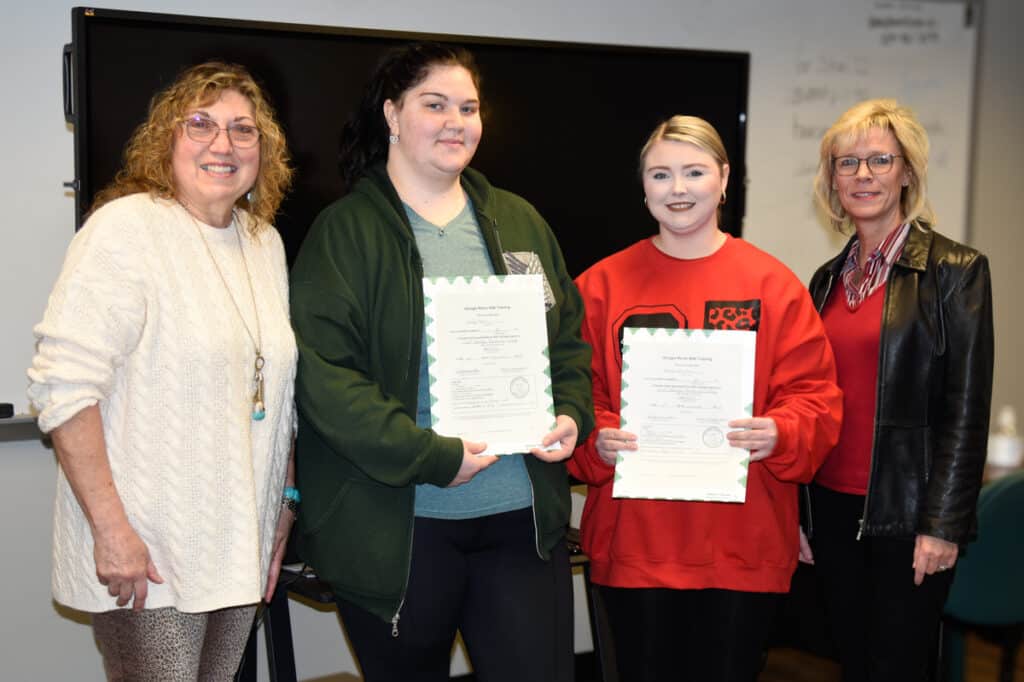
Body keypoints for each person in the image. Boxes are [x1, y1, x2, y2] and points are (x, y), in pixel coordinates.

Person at [289, 42, 594, 682]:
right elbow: (327, 379)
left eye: (469, 108)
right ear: (392, 115)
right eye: (435, 105)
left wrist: (570, 413)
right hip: (402, 530)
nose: (456, 122)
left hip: (519, 521)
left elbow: (566, 341)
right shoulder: (345, 233)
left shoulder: (518, 221)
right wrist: (432, 456)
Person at [27, 62, 297, 680]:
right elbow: (63, 386)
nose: (223, 144)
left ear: (263, 151)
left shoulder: (264, 243)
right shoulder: (127, 229)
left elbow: (276, 391)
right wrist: (110, 530)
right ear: (166, 140)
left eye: (243, 130)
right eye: (200, 124)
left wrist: (284, 505)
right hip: (148, 553)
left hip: (240, 545)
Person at [567, 115, 843, 682]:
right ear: (643, 186)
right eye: (660, 174)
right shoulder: (599, 287)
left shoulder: (773, 286)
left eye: (694, 172)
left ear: (723, 179)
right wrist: (598, 436)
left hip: (742, 546)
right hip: (636, 543)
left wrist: (781, 431)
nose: (678, 188)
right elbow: (571, 395)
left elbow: (814, 397)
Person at [802, 98, 994, 681]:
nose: (863, 175)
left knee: (898, 668)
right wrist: (800, 514)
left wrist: (943, 525)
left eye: (879, 160)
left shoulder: (955, 271)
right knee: (851, 662)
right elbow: (807, 400)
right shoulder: (825, 281)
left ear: (906, 171)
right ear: (833, 181)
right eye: (847, 163)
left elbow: (967, 409)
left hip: (907, 515)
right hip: (831, 509)